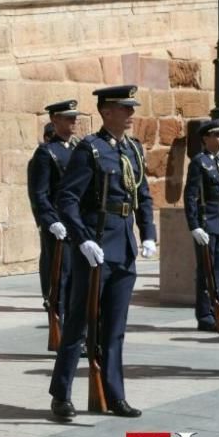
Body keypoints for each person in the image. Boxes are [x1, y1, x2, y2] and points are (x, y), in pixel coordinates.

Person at [49, 85, 156, 419]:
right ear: (106, 111)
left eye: (131, 109)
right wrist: (82, 239)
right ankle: (61, 394)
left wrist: (149, 234)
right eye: (124, 109)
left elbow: (144, 196)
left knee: (115, 327)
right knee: (78, 322)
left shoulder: (134, 150)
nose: (130, 114)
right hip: (96, 245)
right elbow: (66, 198)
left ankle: (114, 393)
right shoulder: (90, 150)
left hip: (124, 245)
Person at [29, 100, 82, 333]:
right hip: (59, 225)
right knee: (60, 279)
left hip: (78, 222)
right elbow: (39, 194)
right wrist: (51, 222)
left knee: (78, 280)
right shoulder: (46, 153)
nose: (73, 121)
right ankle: (60, 330)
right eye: (68, 117)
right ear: (55, 120)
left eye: (74, 117)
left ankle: (76, 329)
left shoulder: (78, 149)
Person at [183, 119, 219, 330]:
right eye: (217, 134)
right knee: (206, 270)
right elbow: (190, 196)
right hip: (207, 222)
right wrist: (194, 226)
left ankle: (217, 310)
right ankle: (205, 315)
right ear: (206, 138)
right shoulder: (199, 162)